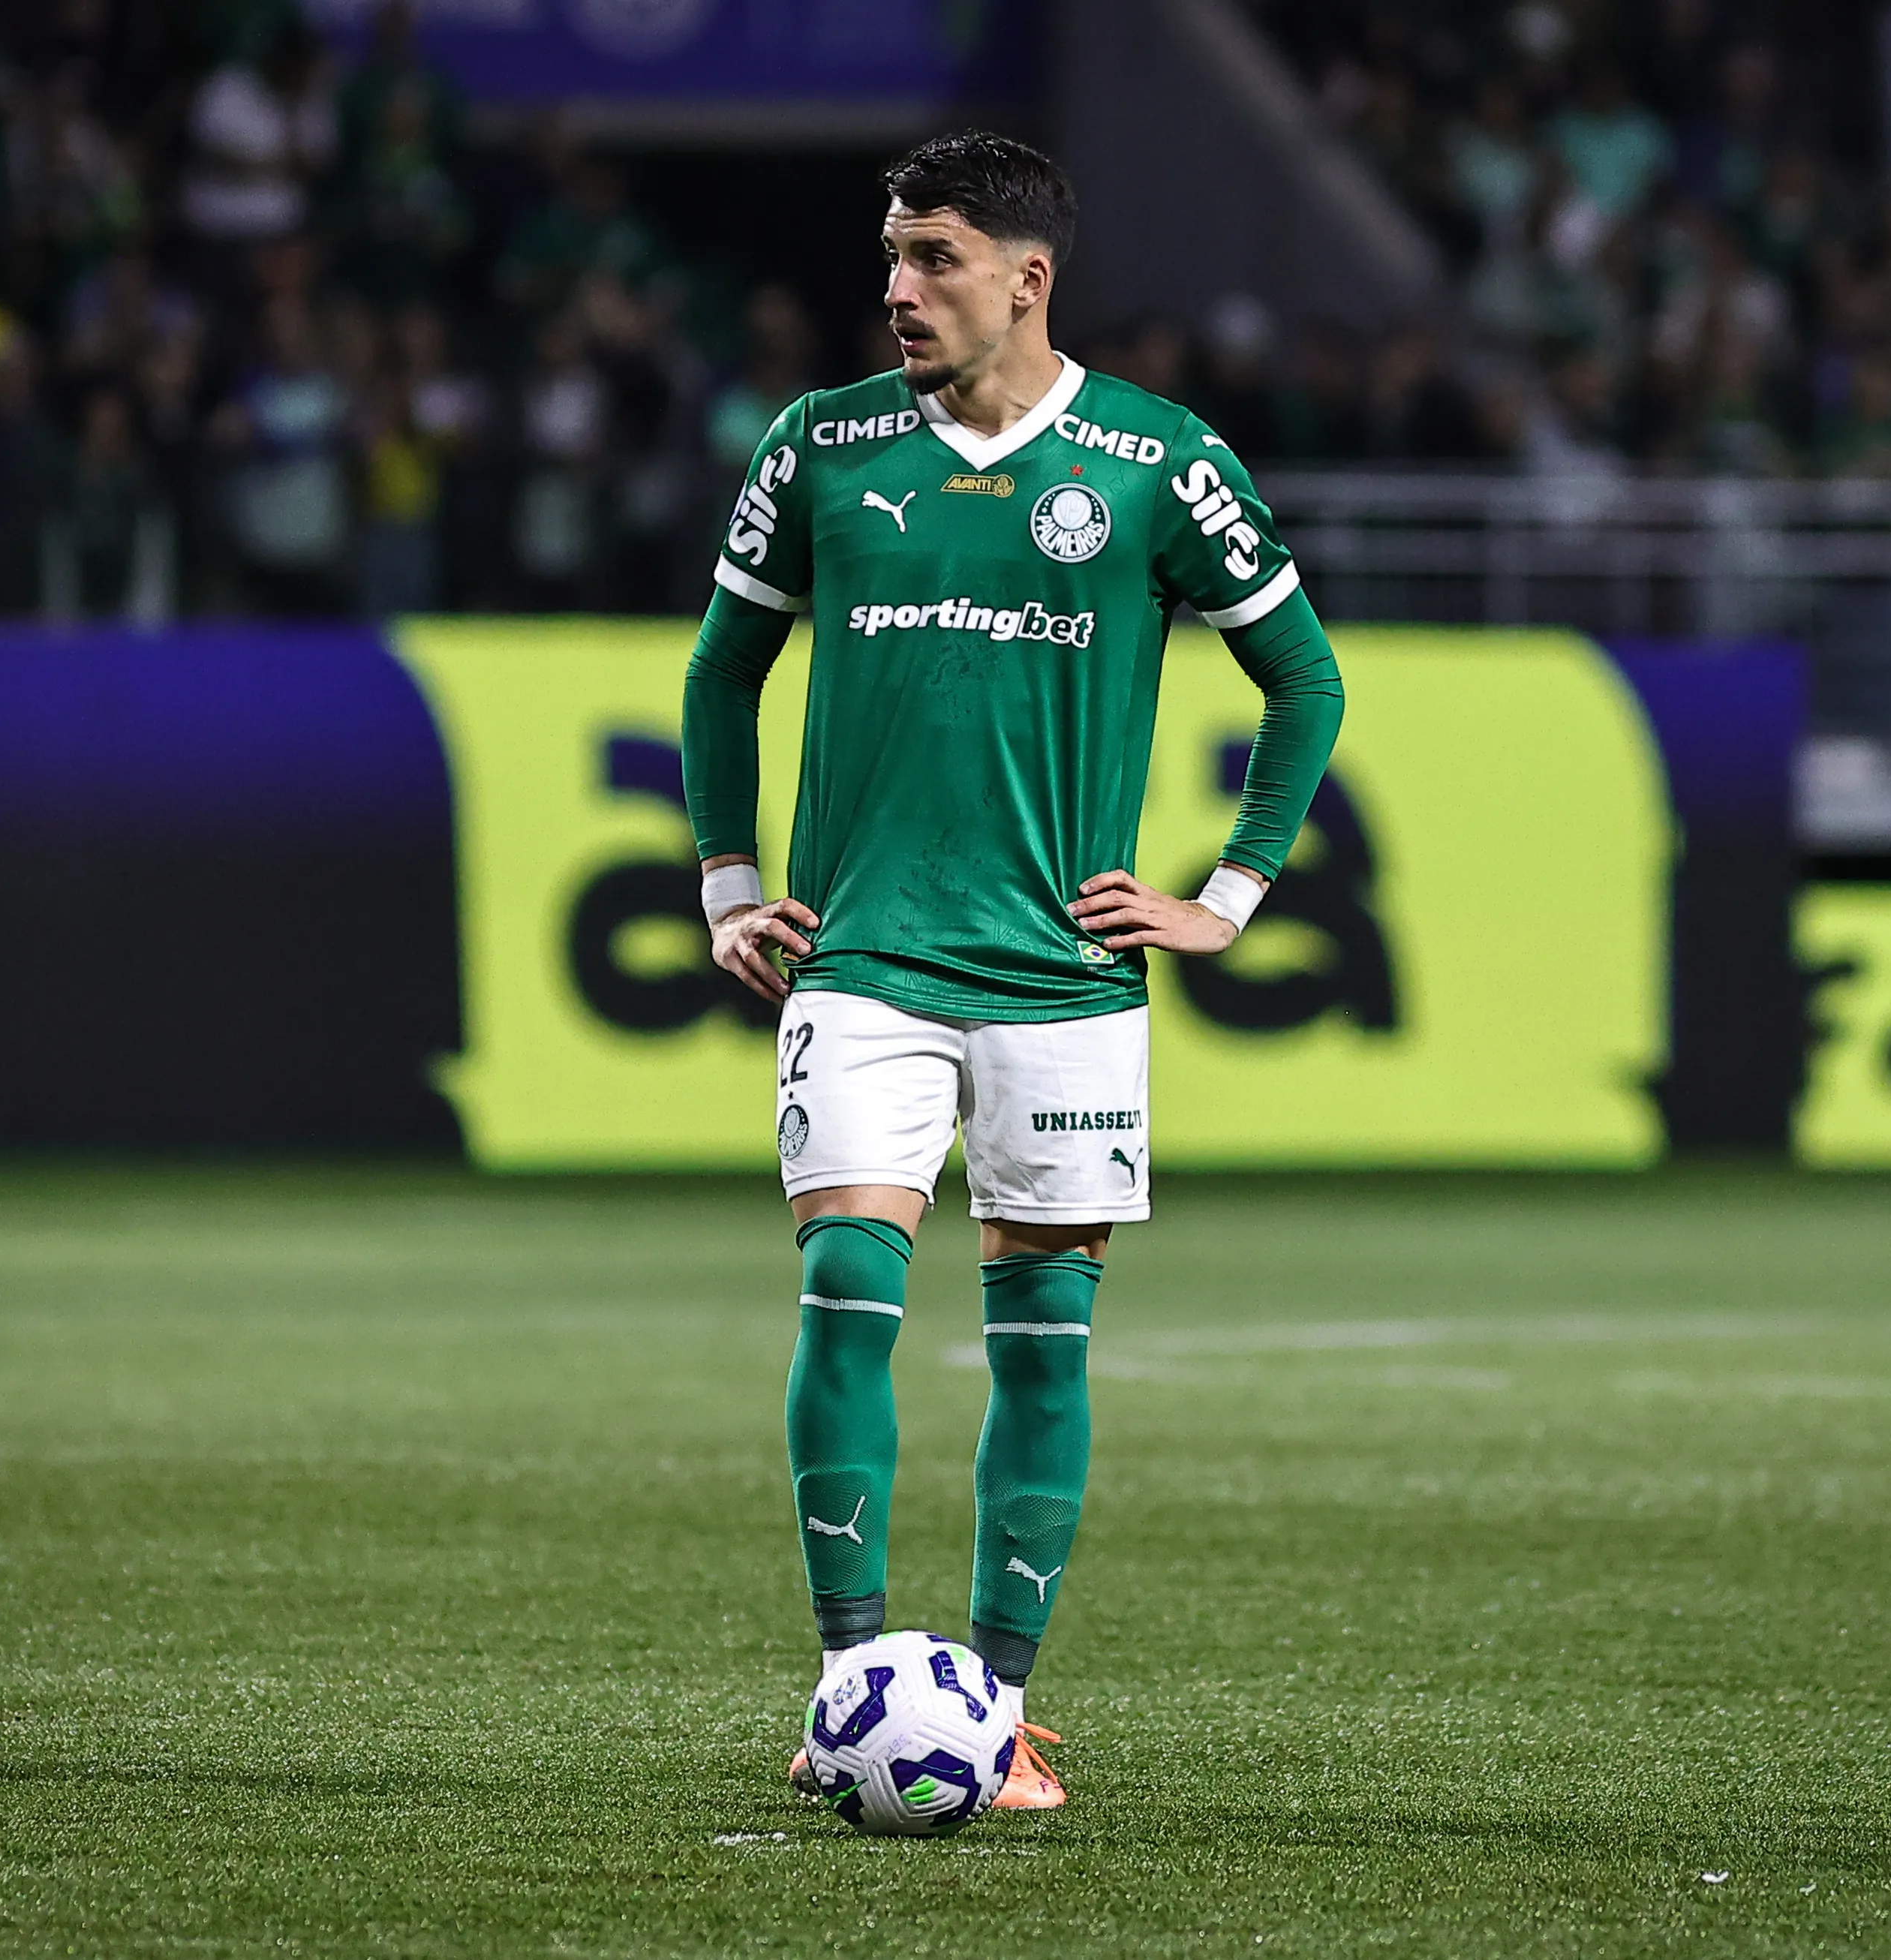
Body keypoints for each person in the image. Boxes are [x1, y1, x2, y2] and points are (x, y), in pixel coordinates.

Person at [681, 133, 1344, 1812]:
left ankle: (1000, 1709)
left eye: (935, 258)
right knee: (847, 1292)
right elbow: (717, 675)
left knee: (1040, 1350)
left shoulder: (1153, 462)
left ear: (1025, 278)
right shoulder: (817, 449)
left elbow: (1303, 681)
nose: (897, 288)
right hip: (866, 959)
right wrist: (727, 882)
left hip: (1063, 979)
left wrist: (1229, 896)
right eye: (890, 257)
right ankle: (847, 1684)